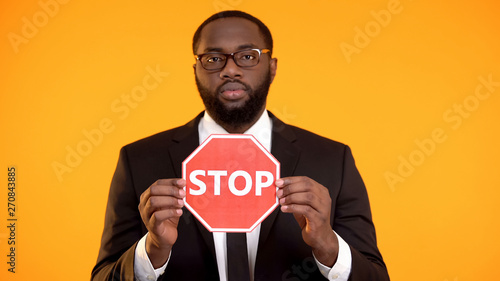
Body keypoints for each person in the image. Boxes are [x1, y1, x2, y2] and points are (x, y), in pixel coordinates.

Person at [91, 10, 390, 281]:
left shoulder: (332, 160)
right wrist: (152, 251)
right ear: (195, 70)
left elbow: (375, 277)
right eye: (213, 58)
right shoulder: (139, 160)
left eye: (247, 56)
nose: (230, 70)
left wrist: (327, 244)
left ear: (272, 68)